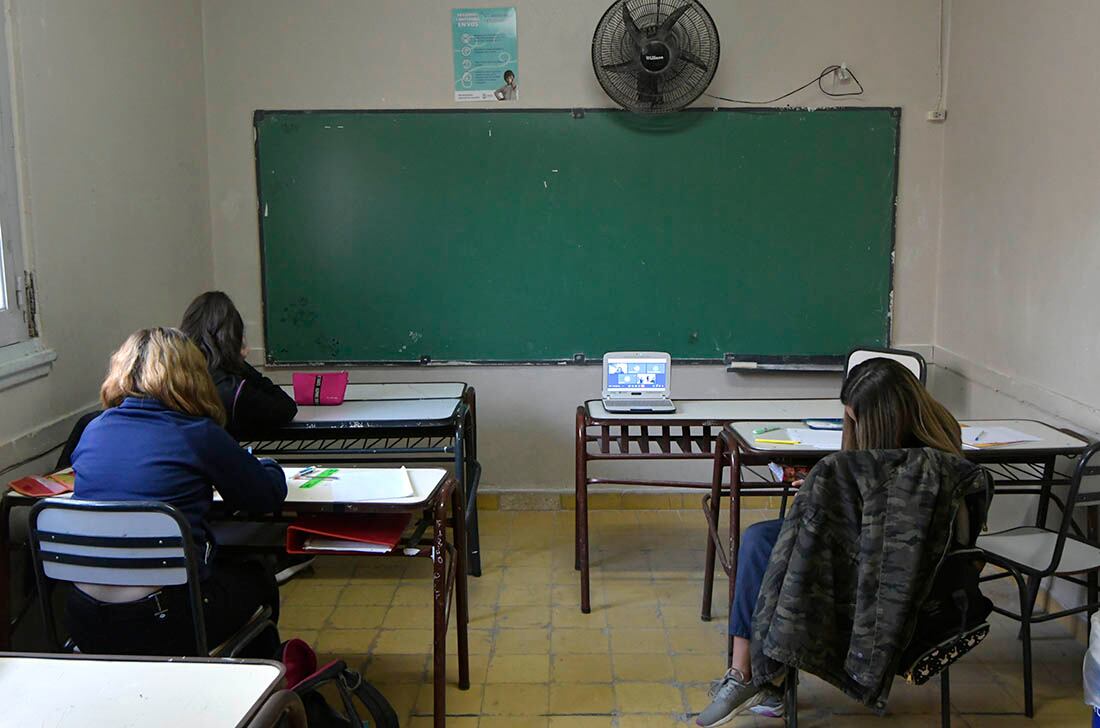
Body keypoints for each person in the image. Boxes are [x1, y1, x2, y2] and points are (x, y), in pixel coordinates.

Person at [696, 358, 964, 726]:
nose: (851, 426)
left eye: (855, 420)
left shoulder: (890, 461)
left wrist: (820, 491)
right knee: (766, 544)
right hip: (912, 561)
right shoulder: (945, 436)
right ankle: (754, 676)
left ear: (881, 418)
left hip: (873, 561)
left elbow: (878, 514)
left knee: (763, 544)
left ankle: (749, 674)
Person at [65, 327, 288, 656]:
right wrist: (268, 465)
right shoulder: (197, 434)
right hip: (165, 620)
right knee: (257, 575)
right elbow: (264, 497)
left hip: (84, 617)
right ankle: (258, 691)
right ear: (192, 376)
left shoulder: (93, 429)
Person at [179, 291, 297, 439]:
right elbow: (286, 408)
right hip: (216, 460)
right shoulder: (233, 391)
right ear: (232, 338)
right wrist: (238, 362)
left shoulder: (169, 382)